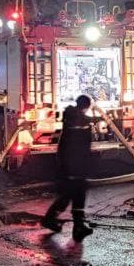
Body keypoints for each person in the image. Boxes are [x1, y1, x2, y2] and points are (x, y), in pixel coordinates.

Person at [41, 94, 95, 241]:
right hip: (73, 165)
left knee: (72, 195)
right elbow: (79, 141)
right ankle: (68, 224)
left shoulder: (73, 117)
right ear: (86, 106)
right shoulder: (77, 120)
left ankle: (75, 225)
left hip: (73, 165)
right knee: (72, 194)